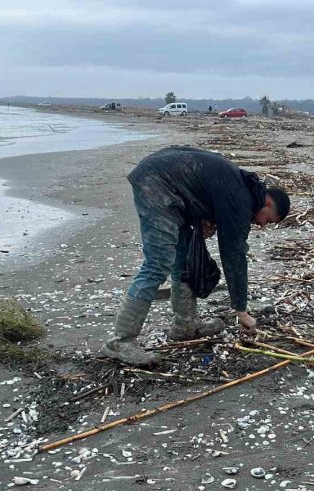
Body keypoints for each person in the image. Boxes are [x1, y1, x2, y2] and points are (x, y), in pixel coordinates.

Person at [102, 146, 291, 366]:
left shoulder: (243, 189)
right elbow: (234, 256)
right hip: (156, 182)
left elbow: (202, 188)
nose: (261, 224)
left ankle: (185, 325)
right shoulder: (241, 200)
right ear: (267, 203)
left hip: (169, 183)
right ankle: (121, 341)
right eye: (267, 220)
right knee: (158, 263)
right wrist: (241, 310)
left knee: (182, 261)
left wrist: (201, 217)